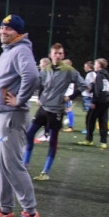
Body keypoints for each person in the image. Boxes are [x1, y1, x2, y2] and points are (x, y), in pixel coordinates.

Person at [0, 14, 42, 217]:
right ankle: (5, 211)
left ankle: (30, 212)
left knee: (12, 164)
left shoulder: (21, 50)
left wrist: (20, 100)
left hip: (12, 116)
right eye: (1, 28)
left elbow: (32, 76)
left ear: (19, 32)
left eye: (8, 29)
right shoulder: (9, 50)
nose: (2, 32)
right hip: (0, 115)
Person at [23, 43, 87, 181]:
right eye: (55, 53)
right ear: (50, 55)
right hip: (43, 109)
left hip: (56, 111)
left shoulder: (69, 70)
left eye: (60, 53)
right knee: (29, 134)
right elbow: (38, 85)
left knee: (53, 141)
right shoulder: (45, 70)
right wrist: (39, 97)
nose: (57, 56)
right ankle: (25, 164)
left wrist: (70, 97)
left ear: (63, 55)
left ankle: (45, 172)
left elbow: (83, 85)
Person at [79, 58, 109, 149]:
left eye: (95, 64)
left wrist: (94, 101)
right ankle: (103, 142)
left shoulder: (99, 75)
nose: (94, 65)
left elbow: (98, 88)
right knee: (103, 121)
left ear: (99, 65)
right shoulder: (107, 75)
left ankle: (89, 140)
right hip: (107, 100)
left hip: (99, 101)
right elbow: (108, 87)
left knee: (90, 119)